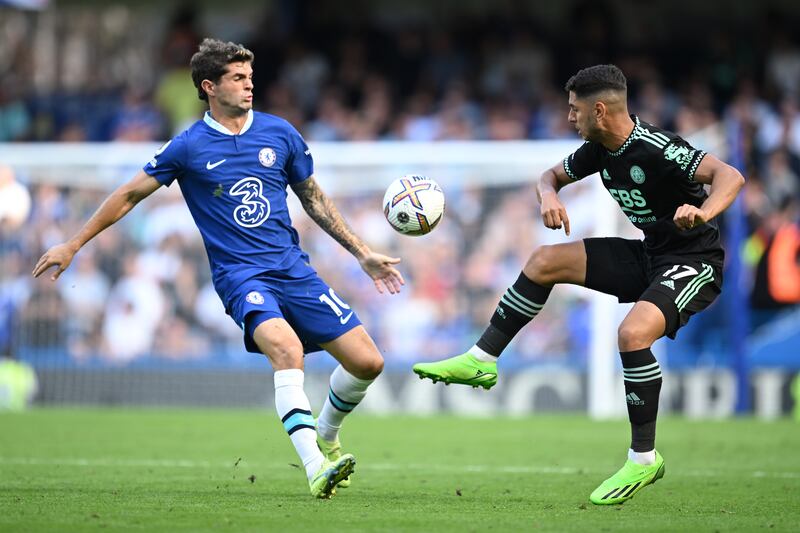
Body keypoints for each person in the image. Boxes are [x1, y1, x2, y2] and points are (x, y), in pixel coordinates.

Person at [33, 38, 405, 500]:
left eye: (250, 77)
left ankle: (326, 436)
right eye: (238, 78)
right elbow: (129, 194)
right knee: (287, 350)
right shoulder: (188, 146)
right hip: (240, 277)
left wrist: (361, 251)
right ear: (210, 86)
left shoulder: (280, 133)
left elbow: (313, 199)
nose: (250, 85)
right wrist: (73, 243)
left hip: (293, 270)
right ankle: (314, 467)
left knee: (369, 362)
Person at [413, 64, 745, 505]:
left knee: (631, 334)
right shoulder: (599, 148)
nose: (569, 118)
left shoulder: (657, 148)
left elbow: (730, 176)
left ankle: (644, 459)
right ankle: (482, 359)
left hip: (692, 260)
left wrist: (703, 213)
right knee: (545, 260)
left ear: (599, 110)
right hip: (649, 254)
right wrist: (549, 195)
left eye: (574, 110)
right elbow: (547, 176)